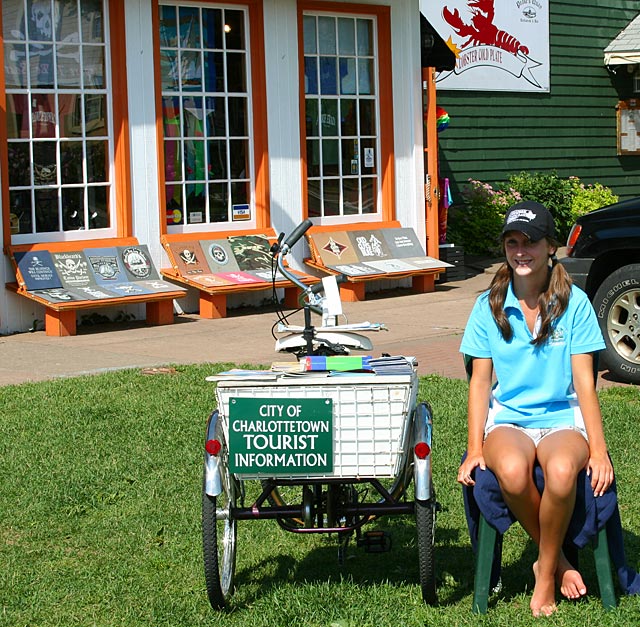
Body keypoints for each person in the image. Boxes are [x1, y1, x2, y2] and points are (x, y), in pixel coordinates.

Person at [457, 200, 614, 617]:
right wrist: (475, 448)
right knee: (508, 470)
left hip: (563, 418)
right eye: (513, 242)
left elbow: (584, 383)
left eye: (531, 242)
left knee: (563, 472)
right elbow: (479, 383)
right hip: (509, 418)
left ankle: (543, 573)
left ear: (551, 248)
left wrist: (598, 450)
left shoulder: (575, 303)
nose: (521, 251)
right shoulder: (487, 307)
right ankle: (558, 564)